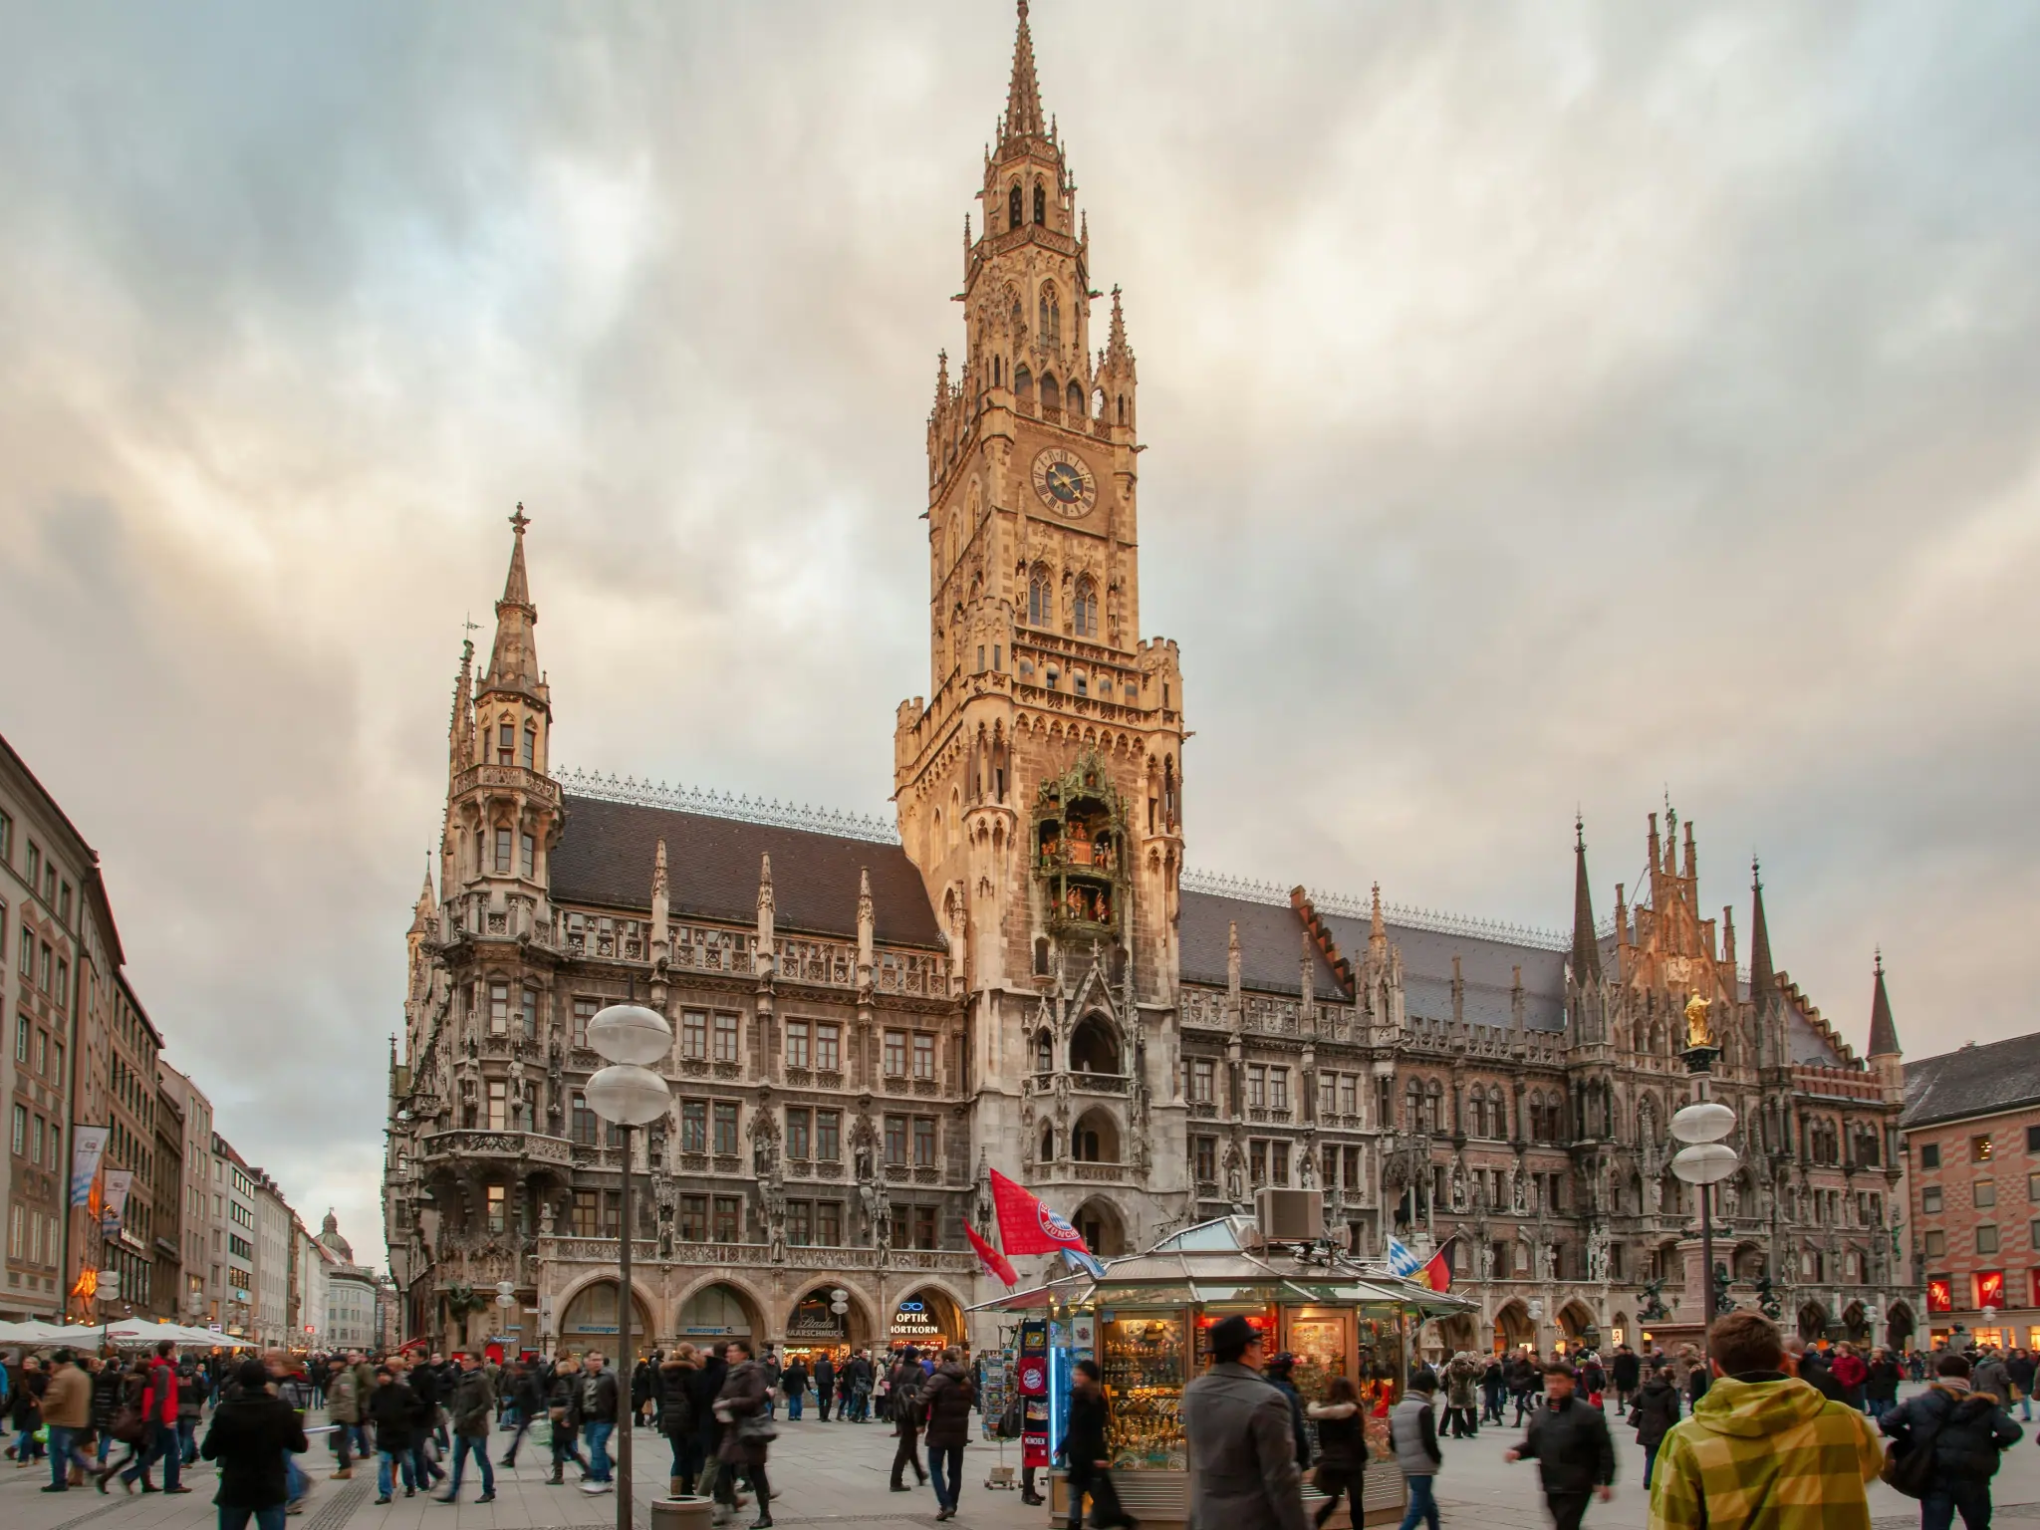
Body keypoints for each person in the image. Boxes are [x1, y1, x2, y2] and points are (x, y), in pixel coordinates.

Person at [1648, 1310, 1882, 1530]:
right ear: (1784, 1361)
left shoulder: (1686, 1440)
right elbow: (1871, 1468)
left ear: (1715, 1368)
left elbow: (1670, 1522)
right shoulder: (1843, 1421)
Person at [1182, 1313, 1307, 1530]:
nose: (1262, 1352)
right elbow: (1281, 1479)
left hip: (1206, 1519)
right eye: (1258, 1345)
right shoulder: (1268, 1399)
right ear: (1248, 1349)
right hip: (1252, 1520)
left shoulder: (1192, 1392)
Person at [1880, 1349, 2022, 1530]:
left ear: (1938, 1374)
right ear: (1968, 1375)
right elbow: (2013, 1432)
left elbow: (1886, 1421)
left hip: (1933, 1469)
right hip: (1973, 1472)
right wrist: (1990, 1445)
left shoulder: (1918, 1402)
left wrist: (1913, 1438)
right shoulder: (1983, 1405)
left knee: (1935, 1523)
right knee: (1978, 1523)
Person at [201, 1356, 311, 1530]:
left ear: (241, 1383)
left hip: (236, 1486)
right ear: (264, 1381)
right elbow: (300, 1446)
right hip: (270, 1485)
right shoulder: (281, 1409)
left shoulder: (226, 1411)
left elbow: (208, 1451)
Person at [1507, 1362, 1614, 1530]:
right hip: (1551, 1481)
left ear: (1571, 1383)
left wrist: (1605, 1480)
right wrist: (1518, 1452)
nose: (1554, 1386)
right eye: (1550, 1381)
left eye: (1559, 1381)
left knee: (1566, 1524)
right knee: (1564, 1523)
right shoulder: (1540, 1415)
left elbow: (1604, 1448)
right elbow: (1535, 1444)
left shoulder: (1588, 1414)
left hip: (1578, 1483)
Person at [1063, 1357, 1132, 1530]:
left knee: (1093, 1496)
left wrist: (1100, 1456)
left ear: (1088, 1377)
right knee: (1076, 1496)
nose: (1075, 1377)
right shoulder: (1078, 1398)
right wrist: (1063, 1447)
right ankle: (1080, 1524)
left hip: (1088, 1458)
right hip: (1079, 1457)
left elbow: (1094, 1432)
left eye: (1079, 1374)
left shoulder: (1095, 1401)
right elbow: (1075, 1429)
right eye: (1076, 1373)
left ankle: (1106, 1521)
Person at [713, 1339, 773, 1530]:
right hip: (734, 1429)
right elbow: (725, 1394)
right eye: (728, 1351)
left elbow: (755, 1399)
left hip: (752, 1428)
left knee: (756, 1471)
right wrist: (720, 1403)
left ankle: (765, 1514)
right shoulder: (733, 1372)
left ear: (744, 1354)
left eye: (733, 1351)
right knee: (722, 1465)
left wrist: (729, 1404)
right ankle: (728, 1504)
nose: (729, 1354)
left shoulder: (753, 1371)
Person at [921, 1345, 977, 1523]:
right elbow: (974, 1400)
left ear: (945, 1361)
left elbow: (922, 1401)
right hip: (959, 1431)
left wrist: (919, 1423)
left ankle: (945, 1504)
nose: (934, 1363)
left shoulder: (937, 1379)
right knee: (955, 1470)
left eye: (937, 1360)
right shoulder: (966, 1381)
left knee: (935, 1467)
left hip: (939, 1430)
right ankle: (953, 1503)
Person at [125, 1340, 187, 1494]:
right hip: (161, 1416)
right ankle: (172, 1484)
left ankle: (129, 1475)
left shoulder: (159, 1368)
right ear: (169, 1351)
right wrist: (168, 1419)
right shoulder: (163, 1370)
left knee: (157, 1450)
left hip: (156, 1415)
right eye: (174, 1350)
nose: (176, 1353)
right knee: (173, 1450)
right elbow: (161, 1397)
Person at [1307, 1374, 1365, 1530]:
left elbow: (1322, 1441)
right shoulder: (1353, 1411)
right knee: (1356, 1502)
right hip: (1352, 1462)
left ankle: (1313, 1525)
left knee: (1333, 1501)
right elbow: (1356, 1438)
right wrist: (1363, 1456)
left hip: (1333, 1461)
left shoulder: (1324, 1414)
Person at [437, 1351, 496, 1504]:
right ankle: (453, 1492)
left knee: (481, 1460)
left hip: (476, 1427)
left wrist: (471, 1415)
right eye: (463, 1360)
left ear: (477, 1363)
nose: (464, 1363)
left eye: (468, 1360)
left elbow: (488, 1403)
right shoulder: (463, 1378)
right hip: (462, 1427)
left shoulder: (481, 1379)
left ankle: (489, 1490)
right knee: (457, 1460)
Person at [1389, 1367, 1444, 1530]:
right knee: (1416, 1513)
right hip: (1422, 1466)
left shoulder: (1400, 1407)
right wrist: (1437, 1458)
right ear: (1428, 1389)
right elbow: (1429, 1440)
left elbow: (1392, 1440)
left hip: (1407, 1465)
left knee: (1431, 1510)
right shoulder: (1423, 1409)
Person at [39, 1349, 93, 1493]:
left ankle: (59, 1481)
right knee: (70, 1448)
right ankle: (89, 1468)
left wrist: (43, 1409)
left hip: (61, 1419)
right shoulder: (82, 1375)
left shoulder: (62, 1376)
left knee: (57, 1451)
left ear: (57, 1363)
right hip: (78, 1417)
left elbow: (55, 1398)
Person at [366, 1366, 416, 1505]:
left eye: (385, 1374)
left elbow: (416, 1405)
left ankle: (410, 1485)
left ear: (391, 1376)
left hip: (402, 1431)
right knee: (383, 1462)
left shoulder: (403, 1391)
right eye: (379, 1375)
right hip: (384, 1432)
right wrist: (376, 1416)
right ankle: (385, 1493)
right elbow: (370, 1411)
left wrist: (404, 1414)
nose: (382, 1378)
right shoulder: (375, 1394)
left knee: (407, 1462)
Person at [657, 1345, 701, 1499]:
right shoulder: (691, 1373)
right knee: (693, 1454)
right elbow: (695, 1397)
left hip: (670, 1418)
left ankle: (676, 1489)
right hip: (687, 1418)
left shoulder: (665, 1373)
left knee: (679, 1455)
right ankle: (691, 1487)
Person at [573, 1350, 620, 1493]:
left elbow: (619, 1397)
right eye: (593, 1360)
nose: (597, 1362)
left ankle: (599, 1479)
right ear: (586, 1361)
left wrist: (618, 1417)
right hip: (589, 1418)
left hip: (605, 1418)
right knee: (590, 1443)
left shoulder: (609, 1377)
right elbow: (576, 1398)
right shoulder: (581, 1378)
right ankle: (606, 1468)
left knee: (597, 1446)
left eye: (599, 1359)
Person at [1630, 1360, 1681, 1491]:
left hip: (1646, 1423)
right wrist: (1676, 1423)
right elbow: (1673, 1410)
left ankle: (1647, 1480)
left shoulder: (1646, 1387)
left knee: (1650, 1453)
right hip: (1663, 1424)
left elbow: (1634, 1401)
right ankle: (1656, 1478)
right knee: (1661, 1453)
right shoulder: (1669, 1391)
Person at [545, 1353, 590, 1486]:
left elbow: (567, 1399)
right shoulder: (574, 1380)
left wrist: (552, 1401)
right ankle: (587, 1470)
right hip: (571, 1416)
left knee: (558, 1446)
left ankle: (558, 1476)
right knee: (569, 1447)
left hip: (564, 1417)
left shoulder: (563, 1382)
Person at [1264, 1352, 1314, 1466]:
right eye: (1293, 1369)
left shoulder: (1261, 1388)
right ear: (1288, 1372)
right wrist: (1303, 1460)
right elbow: (1297, 1430)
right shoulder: (1288, 1395)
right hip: (1285, 1458)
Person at [501, 1361, 543, 1467]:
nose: (514, 1372)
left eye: (516, 1369)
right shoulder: (522, 1379)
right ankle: (510, 1458)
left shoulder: (527, 1380)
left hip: (529, 1412)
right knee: (535, 1435)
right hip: (526, 1412)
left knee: (521, 1436)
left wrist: (507, 1406)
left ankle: (510, 1458)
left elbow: (525, 1397)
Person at [324, 1358, 359, 1481]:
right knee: (337, 1443)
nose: (330, 1364)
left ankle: (345, 1468)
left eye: (333, 1362)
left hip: (343, 1416)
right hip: (339, 1415)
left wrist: (342, 1415)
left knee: (342, 1443)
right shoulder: (338, 1375)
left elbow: (348, 1398)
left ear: (341, 1363)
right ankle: (343, 1468)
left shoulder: (345, 1377)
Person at [1444, 1351, 1480, 1438]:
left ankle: (1457, 1432)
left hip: (1454, 1393)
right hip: (1466, 1393)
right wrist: (1479, 1365)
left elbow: (1442, 1377)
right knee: (1470, 1412)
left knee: (1456, 1414)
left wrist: (1446, 1387)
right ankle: (1470, 1431)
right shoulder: (1468, 1367)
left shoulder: (1449, 1366)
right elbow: (1477, 1374)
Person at [1866, 1348, 1904, 1424]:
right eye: (1873, 1352)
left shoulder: (1889, 1364)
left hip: (1887, 1391)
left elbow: (1896, 1377)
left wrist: (1891, 1387)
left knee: (1886, 1410)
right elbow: (1867, 1377)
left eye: (1877, 1352)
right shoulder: (1869, 1364)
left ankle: (1884, 1428)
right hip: (1873, 1390)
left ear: (1882, 1353)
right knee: (1876, 1410)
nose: (1874, 1353)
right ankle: (1882, 1425)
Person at [1831, 1344, 1868, 1412]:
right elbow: (1834, 1372)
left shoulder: (1855, 1360)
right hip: (1839, 1387)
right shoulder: (1836, 1360)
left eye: (1838, 1347)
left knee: (1852, 1407)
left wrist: (1854, 1381)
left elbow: (1862, 1372)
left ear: (1844, 1348)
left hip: (1852, 1388)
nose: (1836, 1349)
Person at [2005, 1349, 2035, 1423]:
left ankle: (2027, 1415)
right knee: (2020, 1400)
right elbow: (2010, 1373)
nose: (2018, 1355)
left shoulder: (2029, 1363)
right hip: (2016, 1383)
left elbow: (2032, 1373)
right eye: (2017, 1353)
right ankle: (2026, 1414)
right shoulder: (2013, 1363)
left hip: (2026, 1382)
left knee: (2024, 1399)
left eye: (2020, 1353)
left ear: (2024, 1354)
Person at [1611, 1346, 1641, 1413]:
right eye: (1619, 1349)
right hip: (1620, 1380)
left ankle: (1635, 1409)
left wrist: (1634, 1380)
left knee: (1631, 1395)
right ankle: (1620, 1409)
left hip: (1628, 1379)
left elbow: (1636, 1368)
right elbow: (1615, 1368)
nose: (1619, 1351)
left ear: (1624, 1350)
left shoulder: (1631, 1358)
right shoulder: (1617, 1358)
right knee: (1619, 1395)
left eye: (1620, 1349)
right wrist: (1613, 1377)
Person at [781, 1355, 807, 1422]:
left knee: (792, 1401)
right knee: (799, 1402)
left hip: (791, 1388)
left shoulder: (790, 1370)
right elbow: (805, 1380)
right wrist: (809, 1387)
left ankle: (792, 1415)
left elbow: (785, 1380)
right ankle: (798, 1415)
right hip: (800, 1388)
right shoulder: (802, 1370)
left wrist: (784, 1388)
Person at [813, 1351, 835, 1424]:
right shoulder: (829, 1364)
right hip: (828, 1384)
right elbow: (832, 1375)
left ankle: (821, 1415)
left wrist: (817, 1381)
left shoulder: (817, 1364)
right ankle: (825, 1416)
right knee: (828, 1401)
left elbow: (815, 1374)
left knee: (821, 1401)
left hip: (820, 1384)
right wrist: (832, 1383)